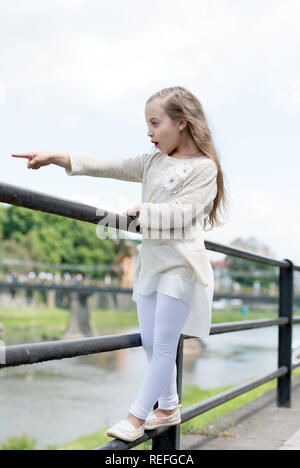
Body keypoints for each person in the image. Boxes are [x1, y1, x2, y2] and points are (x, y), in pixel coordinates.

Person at [11, 85, 229, 442]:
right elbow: (109, 165)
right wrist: (58, 157)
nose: (149, 132)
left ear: (182, 123)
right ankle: (169, 405)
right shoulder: (152, 162)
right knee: (148, 342)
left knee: (162, 345)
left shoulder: (204, 169)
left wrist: (144, 211)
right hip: (150, 264)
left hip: (181, 265)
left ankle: (135, 416)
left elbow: (186, 213)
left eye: (155, 123)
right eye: (147, 124)